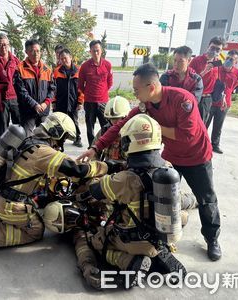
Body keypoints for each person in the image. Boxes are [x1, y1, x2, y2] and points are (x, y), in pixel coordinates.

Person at [78, 63, 222, 261]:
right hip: (171, 156)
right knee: (159, 197)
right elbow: (121, 125)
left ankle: (212, 239)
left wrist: (152, 126)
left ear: (151, 88)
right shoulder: (146, 106)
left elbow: (186, 135)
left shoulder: (182, 100)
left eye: (137, 90)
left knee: (206, 199)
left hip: (196, 157)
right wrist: (95, 147)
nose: (135, 94)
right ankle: (161, 235)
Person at [45, 114, 191, 289]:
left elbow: (96, 191)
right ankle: (160, 254)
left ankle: (131, 263)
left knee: (95, 240)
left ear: (130, 141)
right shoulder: (167, 168)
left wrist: (100, 173)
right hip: (162, 234)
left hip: (133, 240)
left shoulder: (124, 180)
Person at [0, 112, 114, 254]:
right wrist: (105, 166)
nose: (62, 144)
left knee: (6, 210)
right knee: (35, 230)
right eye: (63, 138)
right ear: (57, 132)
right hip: (12, 205)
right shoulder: (43, 152)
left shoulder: (29, 141)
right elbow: (76, 170)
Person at [14, 39, 55, 136]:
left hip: (43, 111)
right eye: (32, 51)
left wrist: (46, 103)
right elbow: (21, 91)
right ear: (26, 52)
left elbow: (52, 89)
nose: (36, 54)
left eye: (38, 51)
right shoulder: (19, 68)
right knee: (25, 139)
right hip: (27, 111)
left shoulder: (47, 69)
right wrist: (34, 104)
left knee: (45, 138)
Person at [78, 40, 113, 146]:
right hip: (89, 102)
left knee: (106, 126)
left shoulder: (107, 65)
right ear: (90, 52)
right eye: (93, 51)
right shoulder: (84, 66)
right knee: (90, 127)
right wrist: (89, 93)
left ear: (101, 51)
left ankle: (104, 147)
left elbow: (110, 83)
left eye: (97, 50)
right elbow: (80, 85)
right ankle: (91, 147)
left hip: (103, 102)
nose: (96, 53)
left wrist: (102, 93)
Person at [206, 49, 238, 154]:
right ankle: (200, 144)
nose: (229, 60)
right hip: (211, 101)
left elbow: (231, 87)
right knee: (204, 124)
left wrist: (226, 96)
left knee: (218, 126)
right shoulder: (217, 66)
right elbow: (207, 66)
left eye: (232, 59)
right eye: (227, 58)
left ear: (236, 62)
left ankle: (215, 145)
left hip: (224, 105)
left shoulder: (237, 73)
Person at [189, 36, 226, 122]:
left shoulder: (218, 63)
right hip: (195, 97)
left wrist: (223, 96)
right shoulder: (197, 60)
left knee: (202, 125)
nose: (214, 51)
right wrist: (204, 71)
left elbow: (219, 82)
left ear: (221, 51)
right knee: (191, 123)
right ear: (208, 46)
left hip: (207, 99)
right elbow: (189, 80)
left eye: (218, 49)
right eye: (212, 47)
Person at [53, 48, 84, 147]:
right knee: (59, 122)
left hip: (73, 101)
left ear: (71, 58)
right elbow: (53, 88)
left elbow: (82, 88)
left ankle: (77, 138)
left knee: (74, 120)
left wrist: (80, 102)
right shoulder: (56, 71)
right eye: (61, 59)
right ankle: (58, 141)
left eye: (65, 58)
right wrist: (53, 102)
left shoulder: (78, 71)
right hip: (60, 102)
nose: (64, 60)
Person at [0, 33, 21, 128]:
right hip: (0, 99)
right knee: (2, 127)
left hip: (15, 98)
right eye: (0, 44)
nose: (3, 47)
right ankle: (5, 143)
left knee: (19, 127)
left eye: (5, 44)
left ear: (9, 45)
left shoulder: (16, 61)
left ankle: (18, 143)